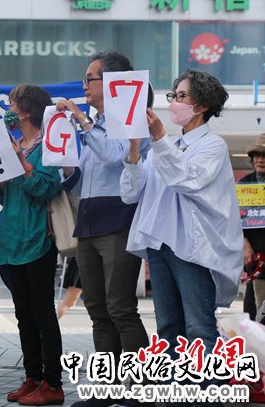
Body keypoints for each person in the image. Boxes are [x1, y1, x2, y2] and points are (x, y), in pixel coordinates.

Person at [120, 68, 243, 394]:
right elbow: (131, 193)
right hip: (160, 245)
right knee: (168, 326)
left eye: (181, 96)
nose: (173, 102)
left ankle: (206, 394)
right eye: (173, 95)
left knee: (199, 326)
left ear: (200, 105)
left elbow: (187, 179)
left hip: (191, 247)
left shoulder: (212, 146)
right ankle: (177, 392)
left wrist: (159, 140)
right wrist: (135, 149)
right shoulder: (168, 144)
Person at [56, 51, 150, 403]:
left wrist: (82, 121)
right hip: (89, 219)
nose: (84, 85)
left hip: (120, 220)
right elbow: (82, 179)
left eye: (89, 78)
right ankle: (107, 389)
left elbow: (116, 156)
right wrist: (64, 168)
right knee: (96, 307)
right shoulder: (90, 125)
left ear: (112, 82)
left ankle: (140, 389)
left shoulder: (131, 120)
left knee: (120, 305)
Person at [0, 84, 64, 405]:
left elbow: (47, 186)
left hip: (38, 239)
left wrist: (22, 163)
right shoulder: (12, 143)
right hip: (10, 240)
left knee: (42, 313)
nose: (8, 109)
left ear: (27, 110)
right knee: (23, 314)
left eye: (13, 104)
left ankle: (53, 383)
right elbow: (4, 194)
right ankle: (32, 377)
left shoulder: (46, 147)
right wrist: (1, 172)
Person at [241, 134, 265, 318]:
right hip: (256, 259)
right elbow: (236, 219)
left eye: (264, 155)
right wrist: (245, 244)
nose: (260, 159)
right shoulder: (245, 183)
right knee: (251, 312)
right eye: (256, 155)